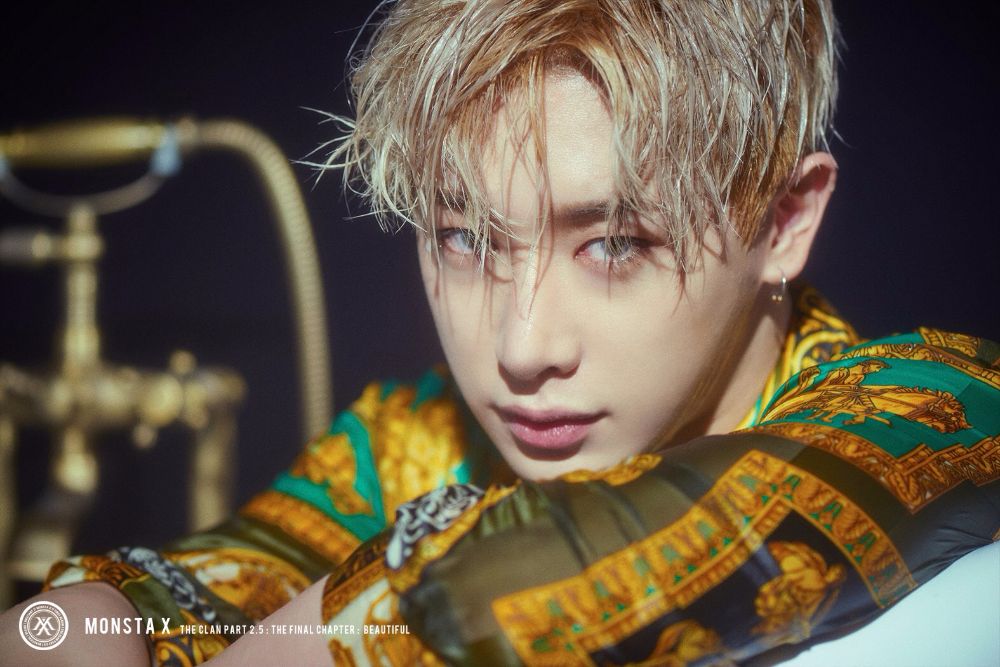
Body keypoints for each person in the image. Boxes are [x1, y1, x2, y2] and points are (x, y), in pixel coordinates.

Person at [2, 1, 997, 665]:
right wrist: (90, 617)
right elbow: (216, 577)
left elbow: (513, 593)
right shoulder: (411, 438)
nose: (520, 350)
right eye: (464, 237)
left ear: (783, 221)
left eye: (614, 243)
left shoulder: (936, 405)